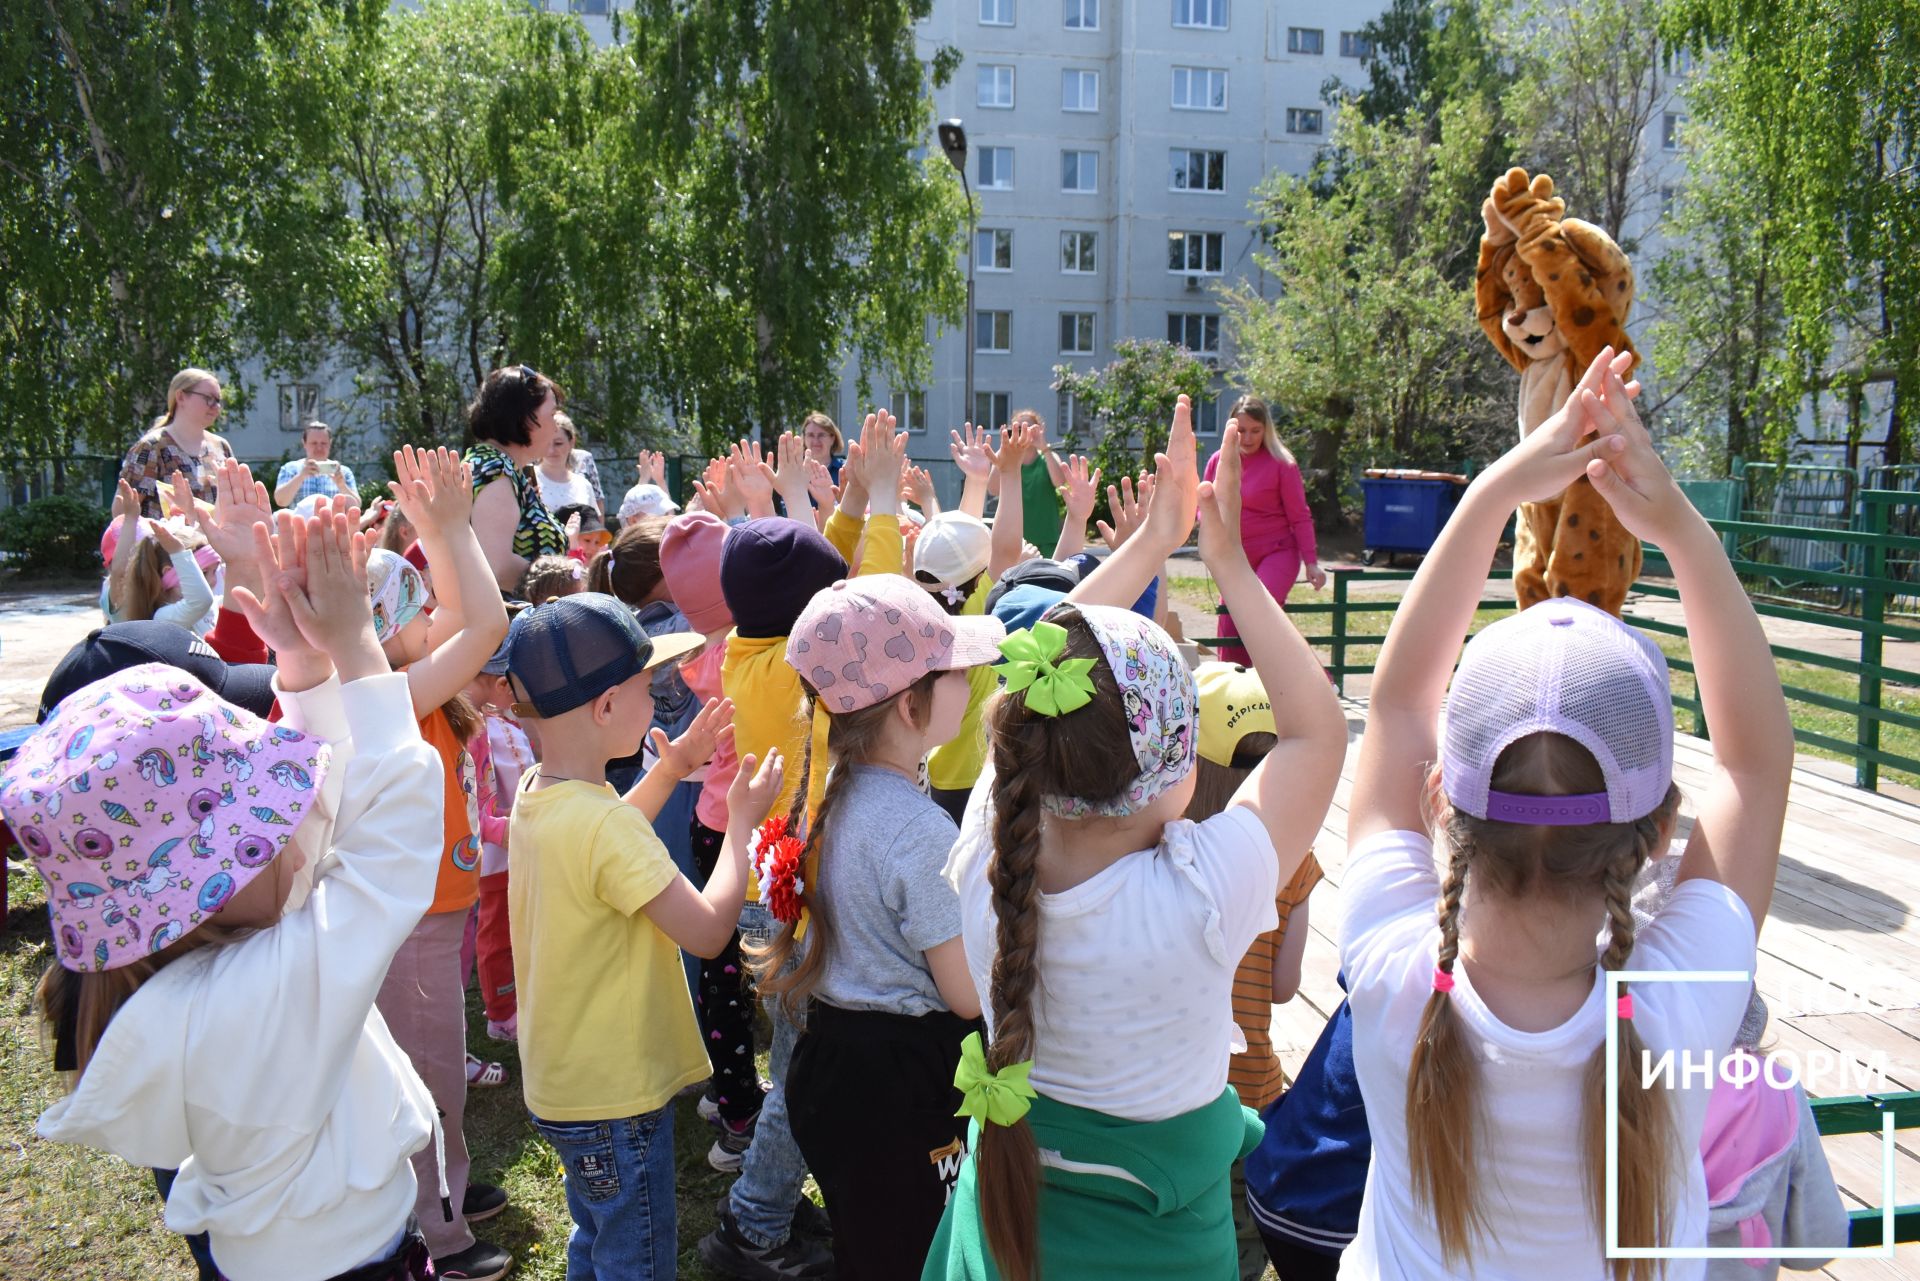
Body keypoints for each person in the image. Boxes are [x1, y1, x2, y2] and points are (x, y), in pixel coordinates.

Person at [1340, 347, 1792, 1279]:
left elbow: (1390, 708)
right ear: (1657, 836)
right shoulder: (1676, 1008)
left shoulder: (1389, 976)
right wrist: (1677, 528)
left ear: (1442, 802)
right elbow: (1755, 759)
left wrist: (1496, 491)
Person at [924, 396, 1348, 1280]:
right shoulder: (1197, 897)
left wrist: (1148, 543)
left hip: (995, 1235)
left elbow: (1024, 682)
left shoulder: (985, 851)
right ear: (1176, 772)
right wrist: (1223, 560)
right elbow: (1318, 732)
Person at [4, 506, 445, 1281]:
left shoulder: (187, 983)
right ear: (207, 892)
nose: (298, 814)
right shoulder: (266, 989)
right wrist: (355, 646)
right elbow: (389, 845)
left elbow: (328, 818)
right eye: (263, 822)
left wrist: (304, 669)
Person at [502, 592, 775, 1280]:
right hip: (617, 1099)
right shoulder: (605, 827)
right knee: (635, 1256)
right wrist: (740, 827)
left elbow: (609, 833)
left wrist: (674, 766)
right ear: (605, 708)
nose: (658, 699)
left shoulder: (541, 791)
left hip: (566, 1085)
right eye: (646, 687)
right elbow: (711, 932)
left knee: (597, 1233)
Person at [700, 411, 909, 1279]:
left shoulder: (752, 653)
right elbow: (889, 621)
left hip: (777, 880)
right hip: (805, 892)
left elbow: (821, 580)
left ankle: (774, 1198)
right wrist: (889, 504)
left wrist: (853, 499)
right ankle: (753, 1224)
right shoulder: (804, 664)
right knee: (798, 1071)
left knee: (800, 1063)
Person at [750, 575, 1001, 1278]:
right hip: (905, 1085)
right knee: (925, 1243)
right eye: (957, 673)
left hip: (832, 1061)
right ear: (910, 703)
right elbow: (965, 995)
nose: (972, 684)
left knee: (871, 1239)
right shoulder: (919, 829)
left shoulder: (831, 793)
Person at [352, 449, 513, 1281]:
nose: (434, 622)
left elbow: (462, 610)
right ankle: (439, 1238)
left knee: (436, 1069)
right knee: (428, 1077)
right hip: (412, 929)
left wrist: (434, 531)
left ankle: (444, 1189)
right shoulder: (388, 700)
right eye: (417, 613)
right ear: (385, 627)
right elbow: (482, 623)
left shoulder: (401, 683)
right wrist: (446, 528)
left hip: (429, 917)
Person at [1189, 661, 1325, 1281]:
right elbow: (1284, 984)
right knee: (1241, 1237)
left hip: (1179, 1084)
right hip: (1250, 1088)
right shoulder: (1297, 862)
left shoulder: (1168, 847)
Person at [659, 512, 762, 1154]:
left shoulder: (703, 653)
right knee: (736, 973)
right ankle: (739, 1117)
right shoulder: (743, 655)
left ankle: (721, 1091)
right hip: (738, 826)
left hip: (710, 821)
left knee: (720, 971)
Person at [1202, 396, 1324, 666]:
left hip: (1277, 552)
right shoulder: (1218, 461)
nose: (1247, 438)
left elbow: (1300, 516)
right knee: (1231, 622)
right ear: (1231, 428)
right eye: (1242, 430)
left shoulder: (1282, 463)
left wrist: (1312, 562)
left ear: (1266, 429)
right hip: (1234, 555)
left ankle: (1316, 681)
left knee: (1258, 611)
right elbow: (1205, 505)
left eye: (1255, 431)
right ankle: (1236, 691)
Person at [466, 636, 529, 1043]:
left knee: (512, 926)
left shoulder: (499, 721)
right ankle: (502, 1013)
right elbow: (477, 798)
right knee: (496, 932)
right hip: (494, 853)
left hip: (512, 843)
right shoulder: (477, 729)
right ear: (501, 684)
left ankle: (517, 997)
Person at [464, 365, 567, 592]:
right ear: (524, 418)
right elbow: (497, 568)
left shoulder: (497, 466)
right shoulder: (496, 471)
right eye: (552, 415)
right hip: (513, 622)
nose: (556, 425)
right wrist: (568, 579)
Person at [102, 480, 215, 636]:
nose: (214, 579)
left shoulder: (181, 602)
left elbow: (204, 555)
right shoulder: (158, 613)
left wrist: (190, 513)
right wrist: (130, 518)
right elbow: (120, 572)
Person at [119, 367, 235, 518]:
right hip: (163, 541)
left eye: (218, 400)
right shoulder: (152, 447)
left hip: (215, 541)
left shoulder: (221, 447)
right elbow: (121, 513)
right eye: (209, 398)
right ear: (180, 397)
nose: (216, 407)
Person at [275, 421, 359, 509]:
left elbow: (356, 506)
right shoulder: (290, 469)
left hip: (332, 521)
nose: (319, 448)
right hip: (299, 521)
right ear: (304, 443)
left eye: (323, 443)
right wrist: (301, 477)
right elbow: (281, 501)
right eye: (314, 443)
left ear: (330, 443)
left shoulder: (343, 472)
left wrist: (341, 485)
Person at [536, 412, 600, 515]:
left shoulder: (583, 485)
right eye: (546, 443)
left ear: (571, 442)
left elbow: (593, 526)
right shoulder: (528, 479)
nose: (551, 450)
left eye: (558, 444)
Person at [801, 411, 845, 485]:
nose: (816, 440)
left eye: (821, 435)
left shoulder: (845, 470)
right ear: (804, 438)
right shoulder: (796, 471)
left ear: (832, 439)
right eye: (810, 435)